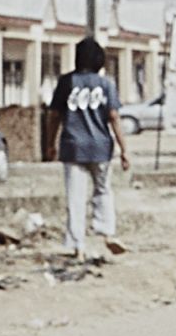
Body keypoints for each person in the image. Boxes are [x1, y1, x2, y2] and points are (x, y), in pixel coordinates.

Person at [42, 36, 130, 262]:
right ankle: (107, 232)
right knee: (102, 191)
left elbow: (54, 116)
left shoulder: (66, 82)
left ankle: (77, 245)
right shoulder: (106, 84)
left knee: (75, 197)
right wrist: (124, 149)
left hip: (73, 147)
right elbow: (113, 116)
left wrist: (50, 144)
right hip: (101, 147)